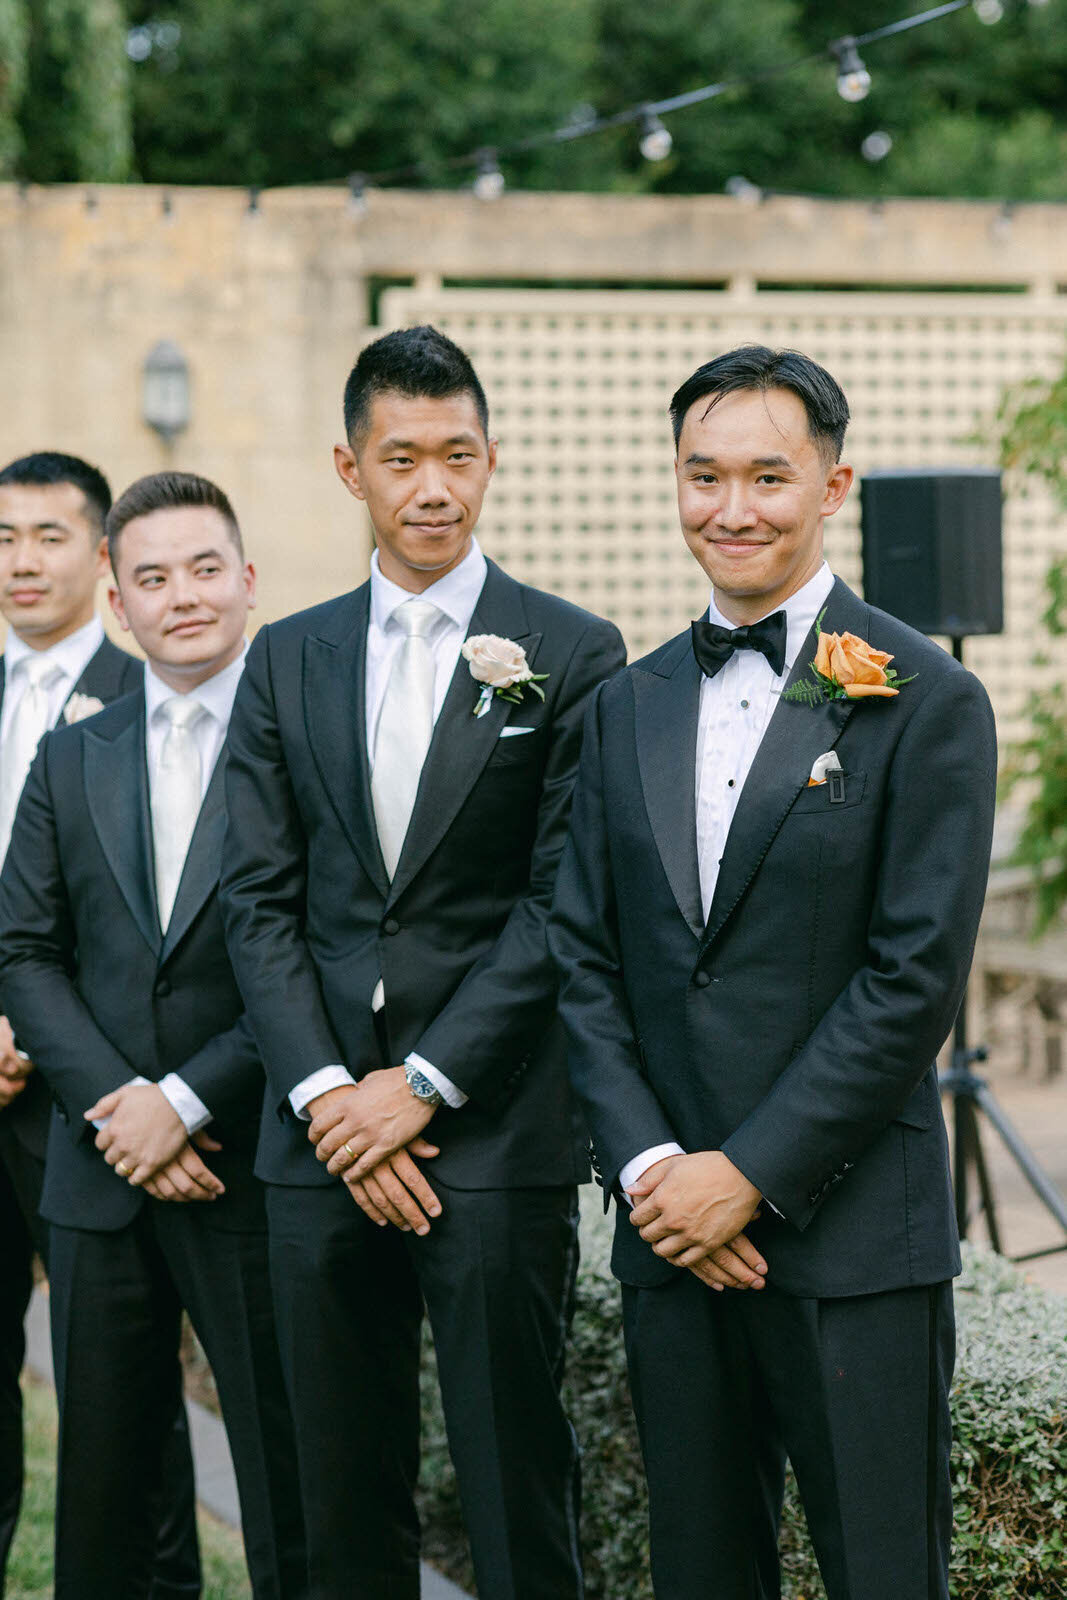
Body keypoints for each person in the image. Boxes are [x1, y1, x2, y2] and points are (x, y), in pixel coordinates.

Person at [549, 345, 997, 1600]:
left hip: (850, 1238)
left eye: (766, 476)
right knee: (697, 1569)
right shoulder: (622, 703)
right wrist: (653, 1172)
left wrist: (745, 1176)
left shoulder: (925, 696)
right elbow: (582, 955)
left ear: (831, 485)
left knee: (879, 1571)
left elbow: (910, 979)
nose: (731, 508)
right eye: (702, 476)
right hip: (668, 1240)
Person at [219, 324, 626, 1600]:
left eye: (458, 454)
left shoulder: (570, 650)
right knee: (334, 1488)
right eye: (404, 458)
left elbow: (564, 904)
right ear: (353, 470)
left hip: (491, 1131)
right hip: (316, 1134)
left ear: (491, 460)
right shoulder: (284, 655)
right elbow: (257, 900)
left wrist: (426, 1083)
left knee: (514, 1481)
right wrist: (331, 1095)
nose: (433, 485)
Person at [0, 471, 307, 1600]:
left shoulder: (305, 743)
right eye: (153, 576)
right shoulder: (71, 755)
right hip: (99, 1168)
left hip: (252, 1161)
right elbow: (24, 949)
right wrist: (118, 1104)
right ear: (118, 604)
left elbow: (314, 955)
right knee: (104, 1487)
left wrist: (179, 1102)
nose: (183, 595)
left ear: (247, 581)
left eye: (204, 567)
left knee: (283, 1468)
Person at [0, 451, 201, 1599]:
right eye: (3, 539)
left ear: (102, 559)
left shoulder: (155, 693)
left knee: (118, 1392)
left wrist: (40, 1033)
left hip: (96, 1091)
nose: (24, 561)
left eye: (49, 536)